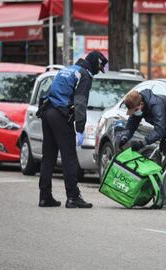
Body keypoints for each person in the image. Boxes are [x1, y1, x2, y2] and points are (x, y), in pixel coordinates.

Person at [38, 50, 108, 208]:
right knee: (69, 157)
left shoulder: (67, 70)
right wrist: (80, 128)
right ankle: (73, 197)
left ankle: (44, 196)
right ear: (96, 64)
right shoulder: (84, 75)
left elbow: (51, 91)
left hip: (47, 111)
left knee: (48, 156)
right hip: (61, 116)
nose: (98, 72)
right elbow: (80, 103)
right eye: (99, 68)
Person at [117, 89, 166, 155]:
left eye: (135, 110)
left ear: (141, 104)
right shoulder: (138, 106)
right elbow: (131, 125)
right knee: (163, 150)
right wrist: (124, 137)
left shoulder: (155, 105)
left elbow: (159, 130)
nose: (134, 112)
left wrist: (142, 143)